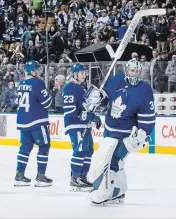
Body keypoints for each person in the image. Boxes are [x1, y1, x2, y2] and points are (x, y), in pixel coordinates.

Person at [85, 58, 155, 204]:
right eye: (132, 70)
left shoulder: (145, 89)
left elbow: (148, 117)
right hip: (110, 129)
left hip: (126, 134)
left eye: (137, 71)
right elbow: (105, 101)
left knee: (111, 161)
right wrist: (98, 98)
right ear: (126, 70)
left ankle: (102, 192)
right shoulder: (115, 80)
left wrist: (141, 136)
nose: (135, 74)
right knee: (111, 160)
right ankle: (119, 190)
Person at [63, 63, 102, 191]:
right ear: (74, 74)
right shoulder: (69, 87)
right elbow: (69, 110)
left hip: (84, 125)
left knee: (88, 150)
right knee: (80, 149)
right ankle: (74, 178)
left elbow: (87, 106)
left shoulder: (84, 87)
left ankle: (82, 177)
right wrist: (85, 115)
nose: (84, 75)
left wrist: (94, 116)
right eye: (81, 73)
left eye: (85, 73)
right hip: (74, 124)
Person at [15, 60, 53, 187]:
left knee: (25, 148)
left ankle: (19, 175)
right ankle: (40, 176)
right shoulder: (38, 83)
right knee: (44, 145)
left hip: (23, 120)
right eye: (37, 69)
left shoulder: (21, 84)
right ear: (32, 71)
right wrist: (48, 92)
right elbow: (47, 103)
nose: (40, 71)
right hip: (37, 121)